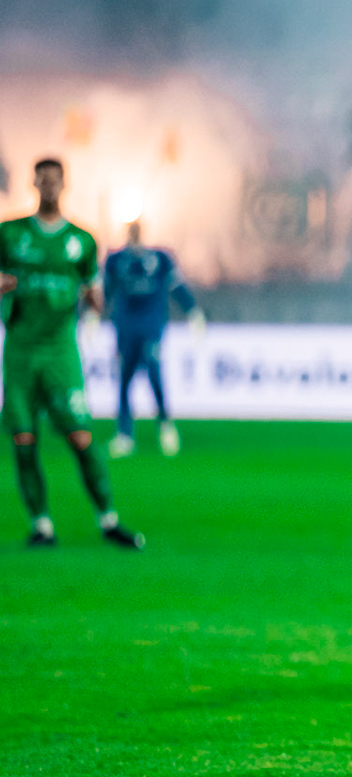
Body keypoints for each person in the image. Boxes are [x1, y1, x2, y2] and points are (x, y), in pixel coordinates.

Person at [0, 158, 143, 549]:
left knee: (81, 437)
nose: (48, 186)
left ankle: (108, 519)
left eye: (55, 180)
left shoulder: (82, 240)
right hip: (20, 353)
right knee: (24, 441)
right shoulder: (10, 234)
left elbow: (93, 289)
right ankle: (41, 524)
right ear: (33, 183)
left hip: (61, 353)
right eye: (42, 179)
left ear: (65, 185)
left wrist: (96, 301)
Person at [103, 218, 204, 458]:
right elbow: (104, 292)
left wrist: (193, 311)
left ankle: (165, 425)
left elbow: (177, 287)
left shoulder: (160, 259)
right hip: (125, 327)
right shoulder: (116, 261)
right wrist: (90, 316)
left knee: (153, 370)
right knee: (124, 377)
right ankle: (124, 434)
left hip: (150, 326)